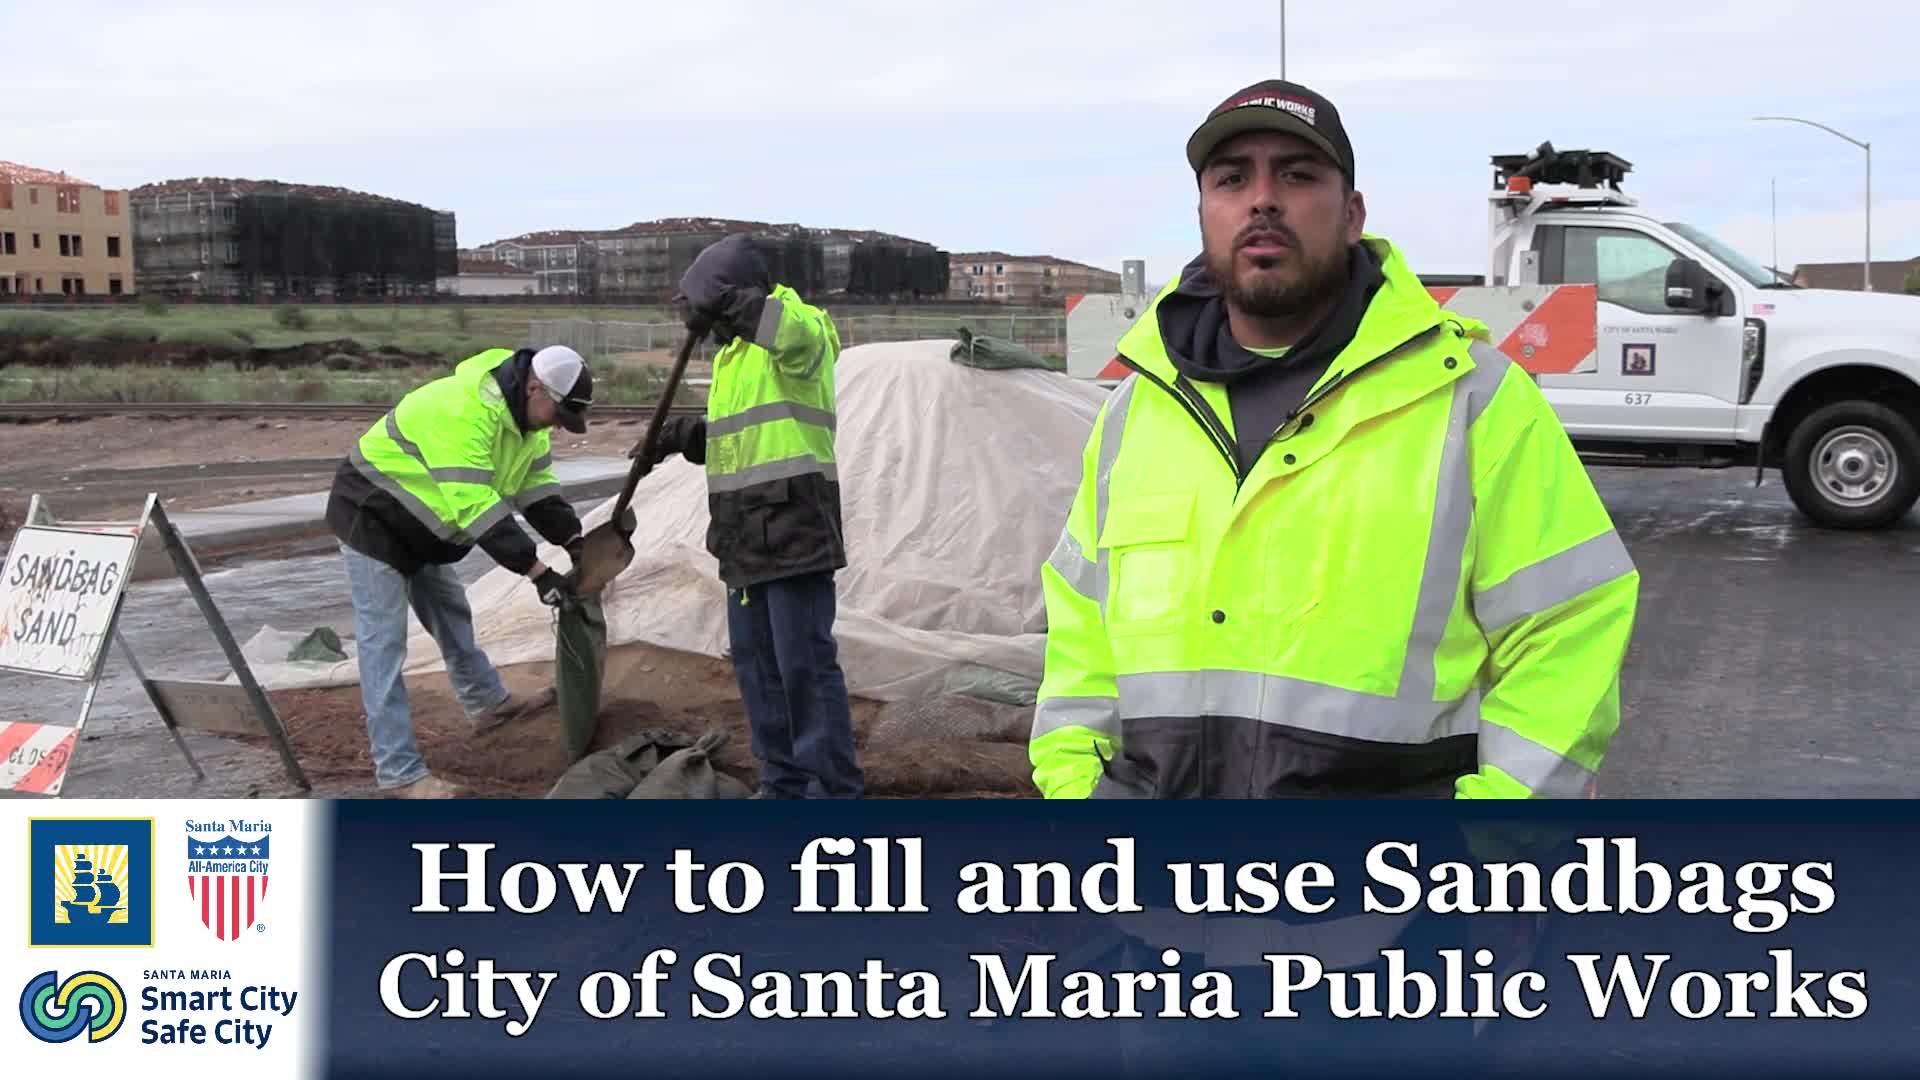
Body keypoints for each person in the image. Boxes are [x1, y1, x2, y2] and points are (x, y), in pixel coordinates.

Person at [1030, 79, 1640, 800]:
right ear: (1204, 215)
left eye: (1297, 174)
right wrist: (1081, 797)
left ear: (1352, 215)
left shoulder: (1471, 399)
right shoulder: (1138, 412)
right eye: (1232, 179)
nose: (1262, 199)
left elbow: (1569, 630)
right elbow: (1081, 636)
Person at [640, 234, 865, 799]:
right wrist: (682, 436)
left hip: (794, 526)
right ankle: (782, 782)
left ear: (730, 295)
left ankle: (831, 790)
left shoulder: (802, 328)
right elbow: (741, 439)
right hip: (743, 534)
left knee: (804, 669)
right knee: (758, 671)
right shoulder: (734, 359)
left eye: (700, 303)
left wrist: (721, 299)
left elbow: (790, 335)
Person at [326, 343, 595, 797]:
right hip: (371, 515)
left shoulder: (530, 426)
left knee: (452, 613)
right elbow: (476, 508)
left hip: (422, 527)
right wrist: (537, 572)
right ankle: (399, 773)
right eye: (558, 413)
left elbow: (538, 491)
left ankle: (488, 705)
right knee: (383, 645)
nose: (558, 426)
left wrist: (575, 541)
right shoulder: (465, 411)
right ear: (533, 386)